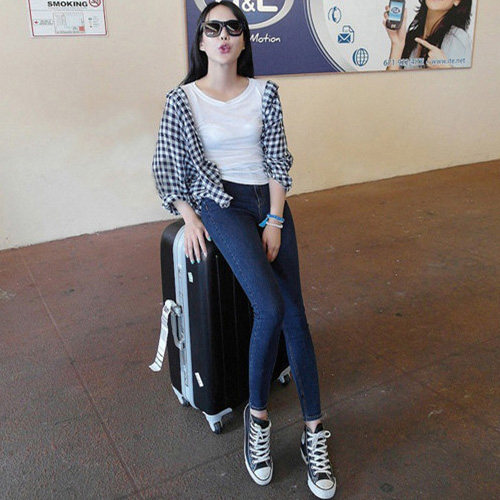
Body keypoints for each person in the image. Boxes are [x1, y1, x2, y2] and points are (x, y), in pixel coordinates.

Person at [152, 1, 336, 498]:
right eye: (213, 28)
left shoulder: (265, 93)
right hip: (221, 203)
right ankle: (258, 422)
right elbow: (167, 165)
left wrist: (275, 218)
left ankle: (314, 431)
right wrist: (190, 216)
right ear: (201, 40)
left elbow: (277, 159)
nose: (223, 35)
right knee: (270, 307)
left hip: (266, 201)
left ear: (244, 39)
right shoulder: (183, 100)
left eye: (233, 27)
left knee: (296, 316)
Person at [383, 0, 472, 70]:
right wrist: (397, 45)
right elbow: (390, 84)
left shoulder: (457, 38)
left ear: (457, 1)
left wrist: (445, 69)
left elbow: (463, 85)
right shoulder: (412, 38)